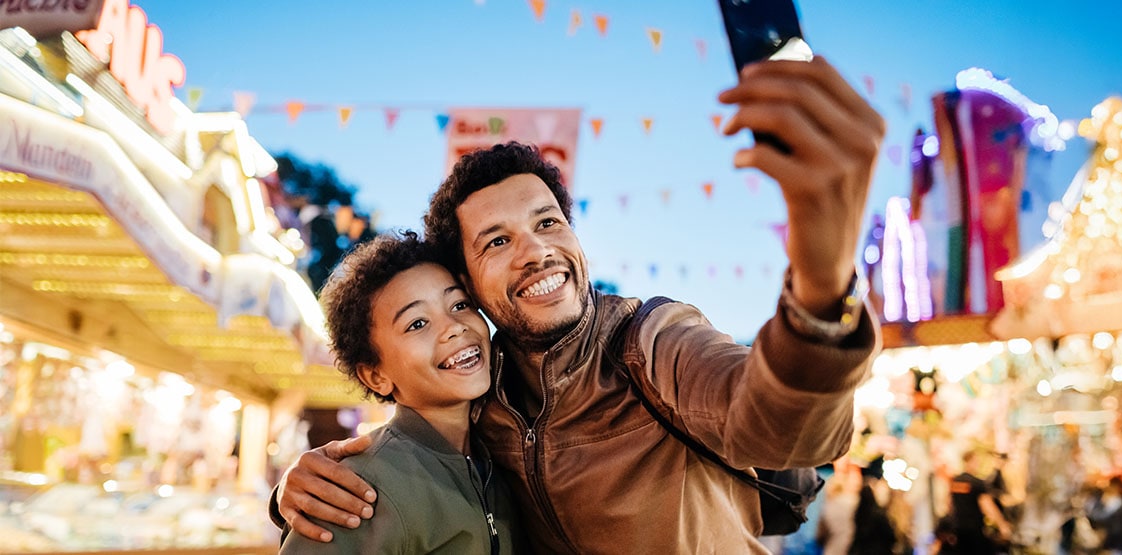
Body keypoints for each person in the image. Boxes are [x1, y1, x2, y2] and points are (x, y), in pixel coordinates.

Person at [273, 55, 885, 553]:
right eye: (498, 241)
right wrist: (296, 490)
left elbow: (780, 425)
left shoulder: (652, 341)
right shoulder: (481, 400)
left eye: (548, 222)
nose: (537, 251)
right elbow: (402, 460)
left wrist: (823, 287)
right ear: (471, 283)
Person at [279, 231, 520, 553]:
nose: (453, 326)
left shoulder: (500, 454)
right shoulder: (354, 489)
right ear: (376, 376)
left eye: (460, 304)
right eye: (417, 323)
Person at [948, 450, 1012, 554]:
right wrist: (1002, 525)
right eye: (976, 461)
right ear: (970, 461)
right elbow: (987, 506)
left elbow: (950, 505)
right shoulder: (977, 483)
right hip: (975, 530)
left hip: (958, 529)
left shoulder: (955, 481)